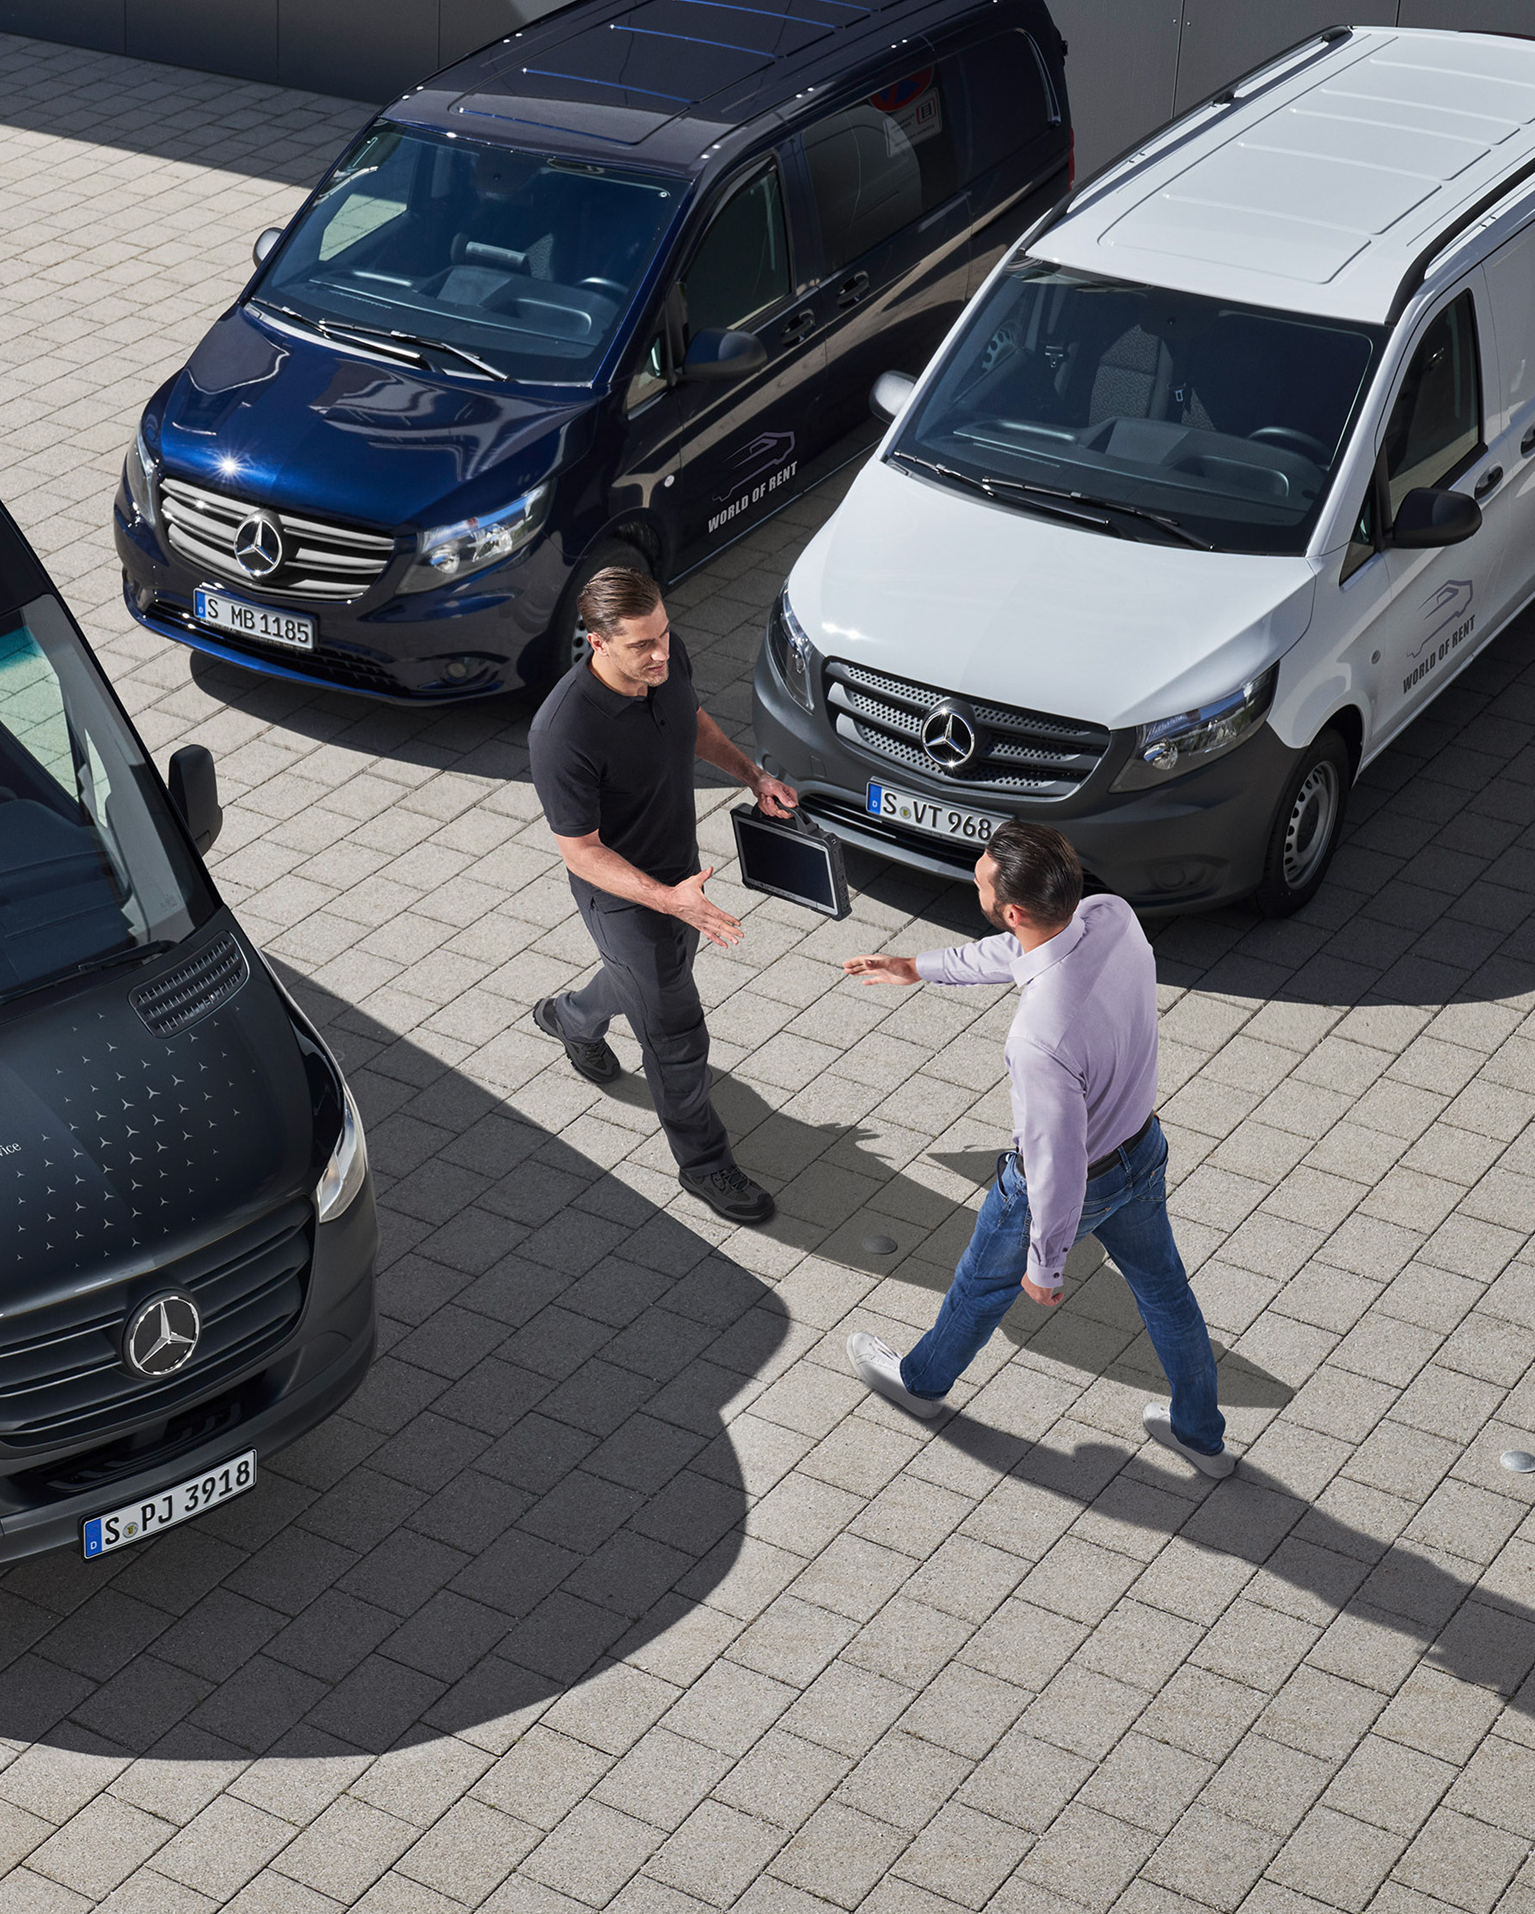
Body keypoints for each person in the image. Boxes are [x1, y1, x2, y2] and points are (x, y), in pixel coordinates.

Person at [837, 820, 1236, 1479]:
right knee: (1165, 1291)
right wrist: (919, 967)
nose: (974, 873)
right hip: (1143, 1149)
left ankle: (921, 1383)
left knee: (978, 1283)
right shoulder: (1111, 916)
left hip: (1080, 1180)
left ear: (1014, 909)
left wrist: (1047, 1266)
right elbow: (1018, 953)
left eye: (981, 879)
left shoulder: (1039, 1039)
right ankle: (1200, 1433)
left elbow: (1056, 1165)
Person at [525, 561, 795, 1226]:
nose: (661, 653)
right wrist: (666, 899)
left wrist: (751, 775)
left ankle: (570, 1017)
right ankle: (704, 1163)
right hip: (619, 894)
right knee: (675, 1028)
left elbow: (694, 721)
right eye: (642, 644)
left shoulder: (664, 662)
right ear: (598, 642)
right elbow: (580, 850)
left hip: (682, 873)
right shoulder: (563, 730)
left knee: (651, 979)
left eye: (664, 635)